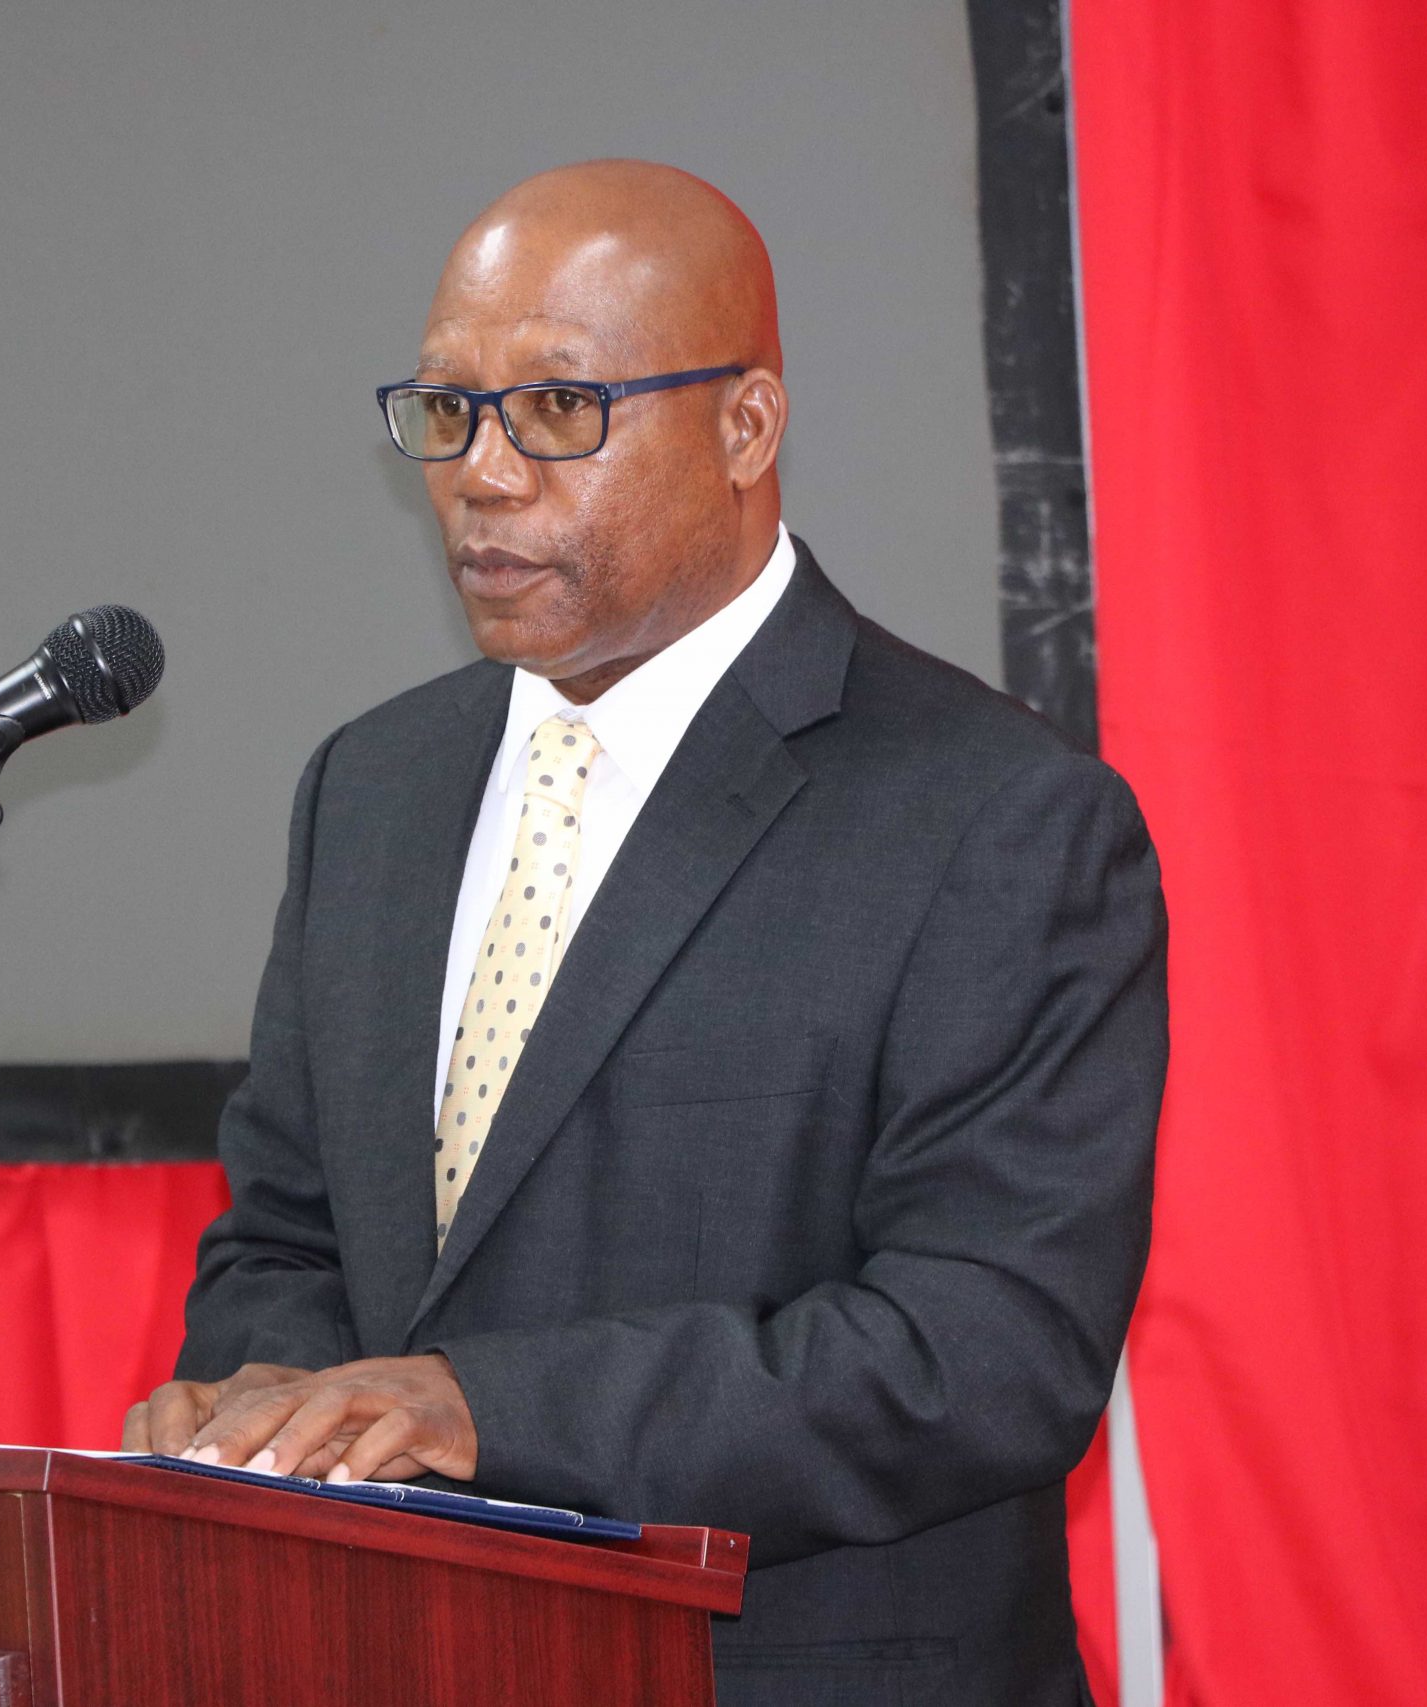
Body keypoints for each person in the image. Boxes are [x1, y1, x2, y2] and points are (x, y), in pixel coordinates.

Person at [124, 158, 1166, 1705]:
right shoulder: (374, 788)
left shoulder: (995, 818)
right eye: (449, 410)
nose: (483, 473)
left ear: (746, 426)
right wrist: (279, 1396)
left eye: (558, 410)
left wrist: (484, 1410)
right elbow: (286, 1231)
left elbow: (983, 1352)